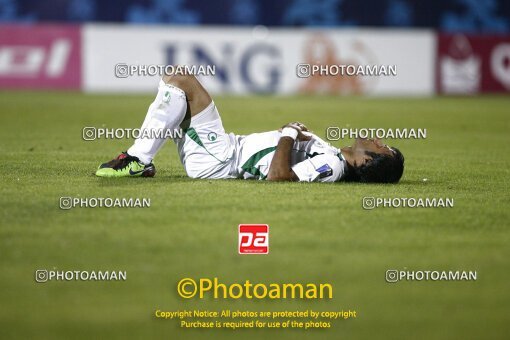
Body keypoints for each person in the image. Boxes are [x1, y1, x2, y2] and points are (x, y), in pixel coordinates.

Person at [96, 73, 404, 183]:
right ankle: (140, 160)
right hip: (224, 150)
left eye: (381, 147)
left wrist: (289, 133)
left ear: (367, 162)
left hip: (220, 159)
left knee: (181, 82)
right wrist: (296, 135)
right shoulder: (335, 156)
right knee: (177, 87)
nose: (377, 140)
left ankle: (137, 160)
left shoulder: (333, 166)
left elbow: (278, 176)